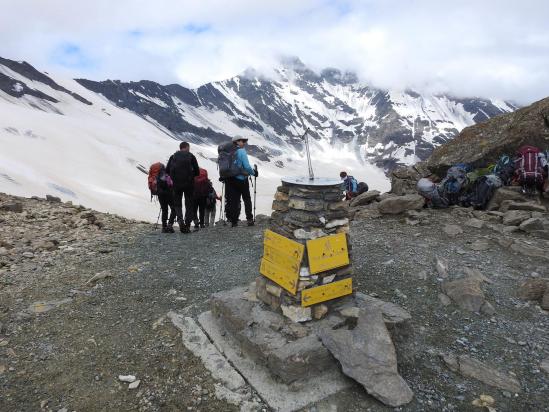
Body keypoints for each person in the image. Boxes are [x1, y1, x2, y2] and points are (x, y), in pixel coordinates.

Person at [166, 142, 199, 233]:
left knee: (177, 204)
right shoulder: (191, 156)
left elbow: (167, 170)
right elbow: (197, 172)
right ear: (187, 147)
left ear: (180, 148)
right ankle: (187, 225)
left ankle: (180, 222)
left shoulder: (173, 157)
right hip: (189, 185)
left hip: (176, 185)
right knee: (189, 204)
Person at [225, 135, 257, 227]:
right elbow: (246, 166)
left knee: (234, 200)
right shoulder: (241, 151)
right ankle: (249, 219)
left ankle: (234, 221)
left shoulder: (228, 152)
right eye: (242, 141)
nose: (244, 143)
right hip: (242, 179)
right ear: (237, 142)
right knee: (246, 199)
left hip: (231, 179)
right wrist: (254, 173)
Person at [156, 164, 176, 233]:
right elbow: (171, 184)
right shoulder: (168, 174)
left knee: (164, 210)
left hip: (160, 195)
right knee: (174, 209)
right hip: (169, 194)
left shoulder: (158, 175)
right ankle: (170, 225)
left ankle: (164, 227)